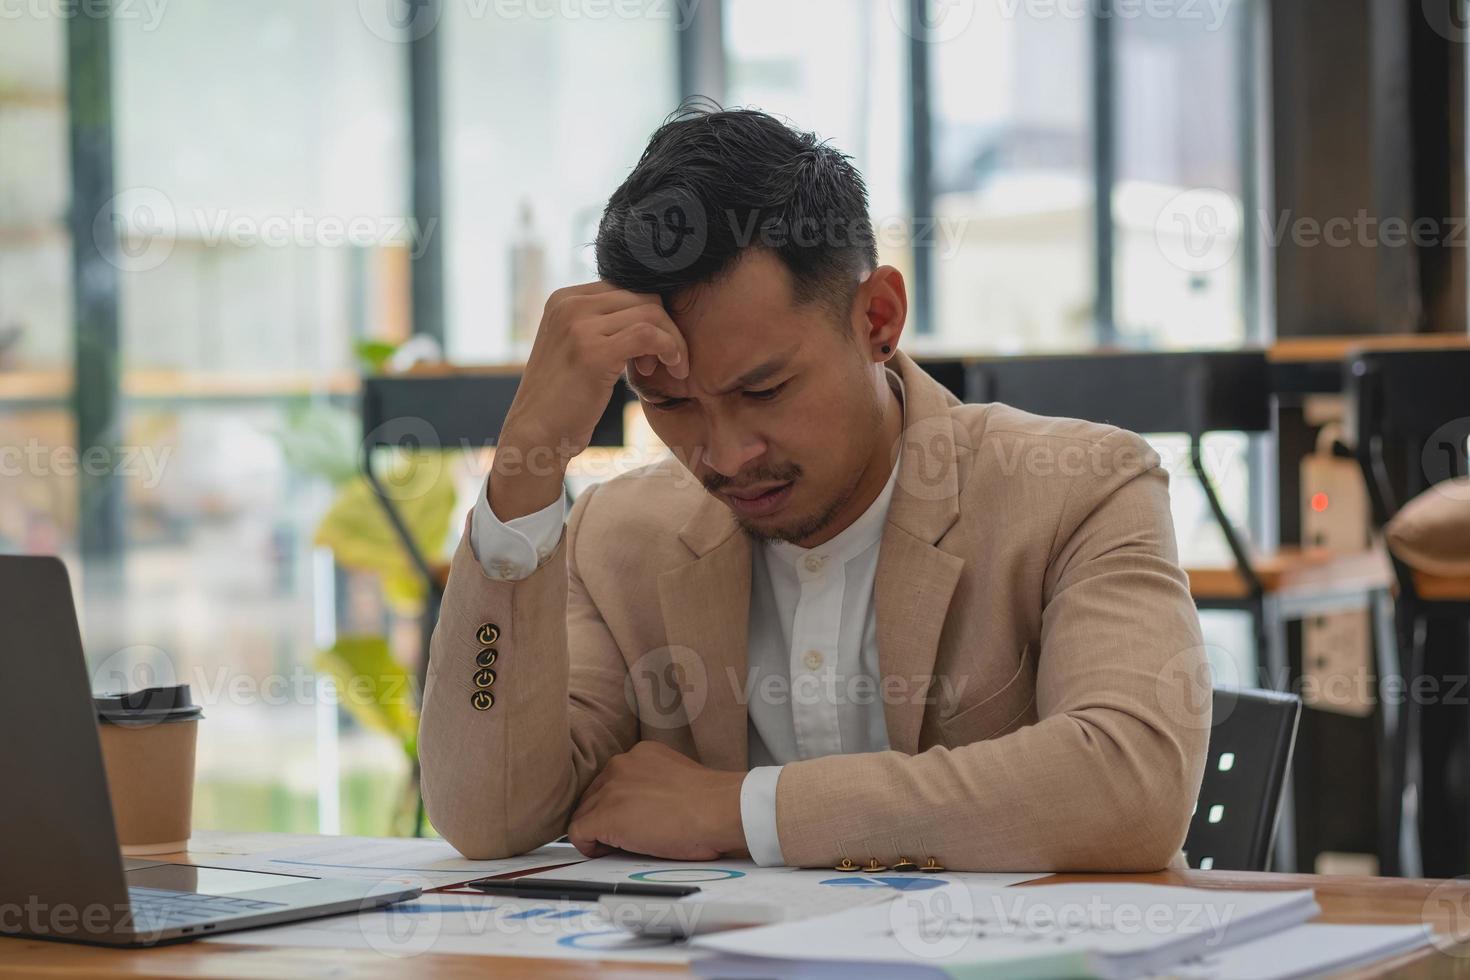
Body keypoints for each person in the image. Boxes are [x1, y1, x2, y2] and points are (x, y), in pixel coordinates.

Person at [418, 106, 1210, 872]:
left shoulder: (1079, 488)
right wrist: (525, 465)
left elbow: (1129, 783)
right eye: (671, 404)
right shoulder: (616, 537)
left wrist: (741, 811)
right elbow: (491, 817)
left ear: (879, 319)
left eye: (765, 391)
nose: (724, 456)